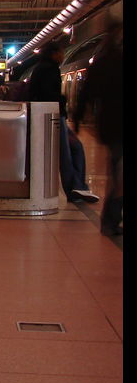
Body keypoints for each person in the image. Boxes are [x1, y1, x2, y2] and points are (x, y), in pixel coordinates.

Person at [26, 41, 99, 204]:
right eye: (61, 52)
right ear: (53, 53)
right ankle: (74, 188)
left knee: (75, 148)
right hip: (53, 117)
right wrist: (62, 99)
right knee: (65, 154)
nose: (63, 55)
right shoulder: (48, 69)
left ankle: (77, 187)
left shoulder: (43, 68)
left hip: (54, 116)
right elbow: (46, 94)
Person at [74, 20, 123, 235]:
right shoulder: (116, 60)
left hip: (110, 126)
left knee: (118, 171)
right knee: (119, 172)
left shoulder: (102, 62)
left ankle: (110, 220)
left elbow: (86, 94)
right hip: (118, 126)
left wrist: (76, 117)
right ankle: (110, 220)